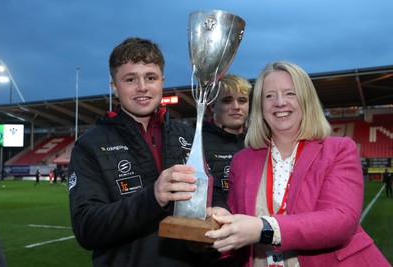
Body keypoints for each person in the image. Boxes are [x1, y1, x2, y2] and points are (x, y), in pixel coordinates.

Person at [205, 61, 390, 266]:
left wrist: (264, 228)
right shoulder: (242, 161)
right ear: (260, 106)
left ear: (306, 100)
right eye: (269, 96)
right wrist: (221, 219)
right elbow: (236, 224)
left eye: (290, 93)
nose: (280, 102)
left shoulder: (338, 149)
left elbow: (340, 220)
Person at [68, 37, 228, 267]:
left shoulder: (188, 134)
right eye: (130, 79)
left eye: (150, 78)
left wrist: (220, 211)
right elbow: (86, 228)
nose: (142, 87)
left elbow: (215, 193)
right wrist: (153, 197)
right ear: (114, 86)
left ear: (162, 81)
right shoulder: (90, 145)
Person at [203, 74, 252, 204]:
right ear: (212, 105)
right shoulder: (196, 143)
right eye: (227, 101)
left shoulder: (259, 142)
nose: (236, 106)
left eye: (242, 101)